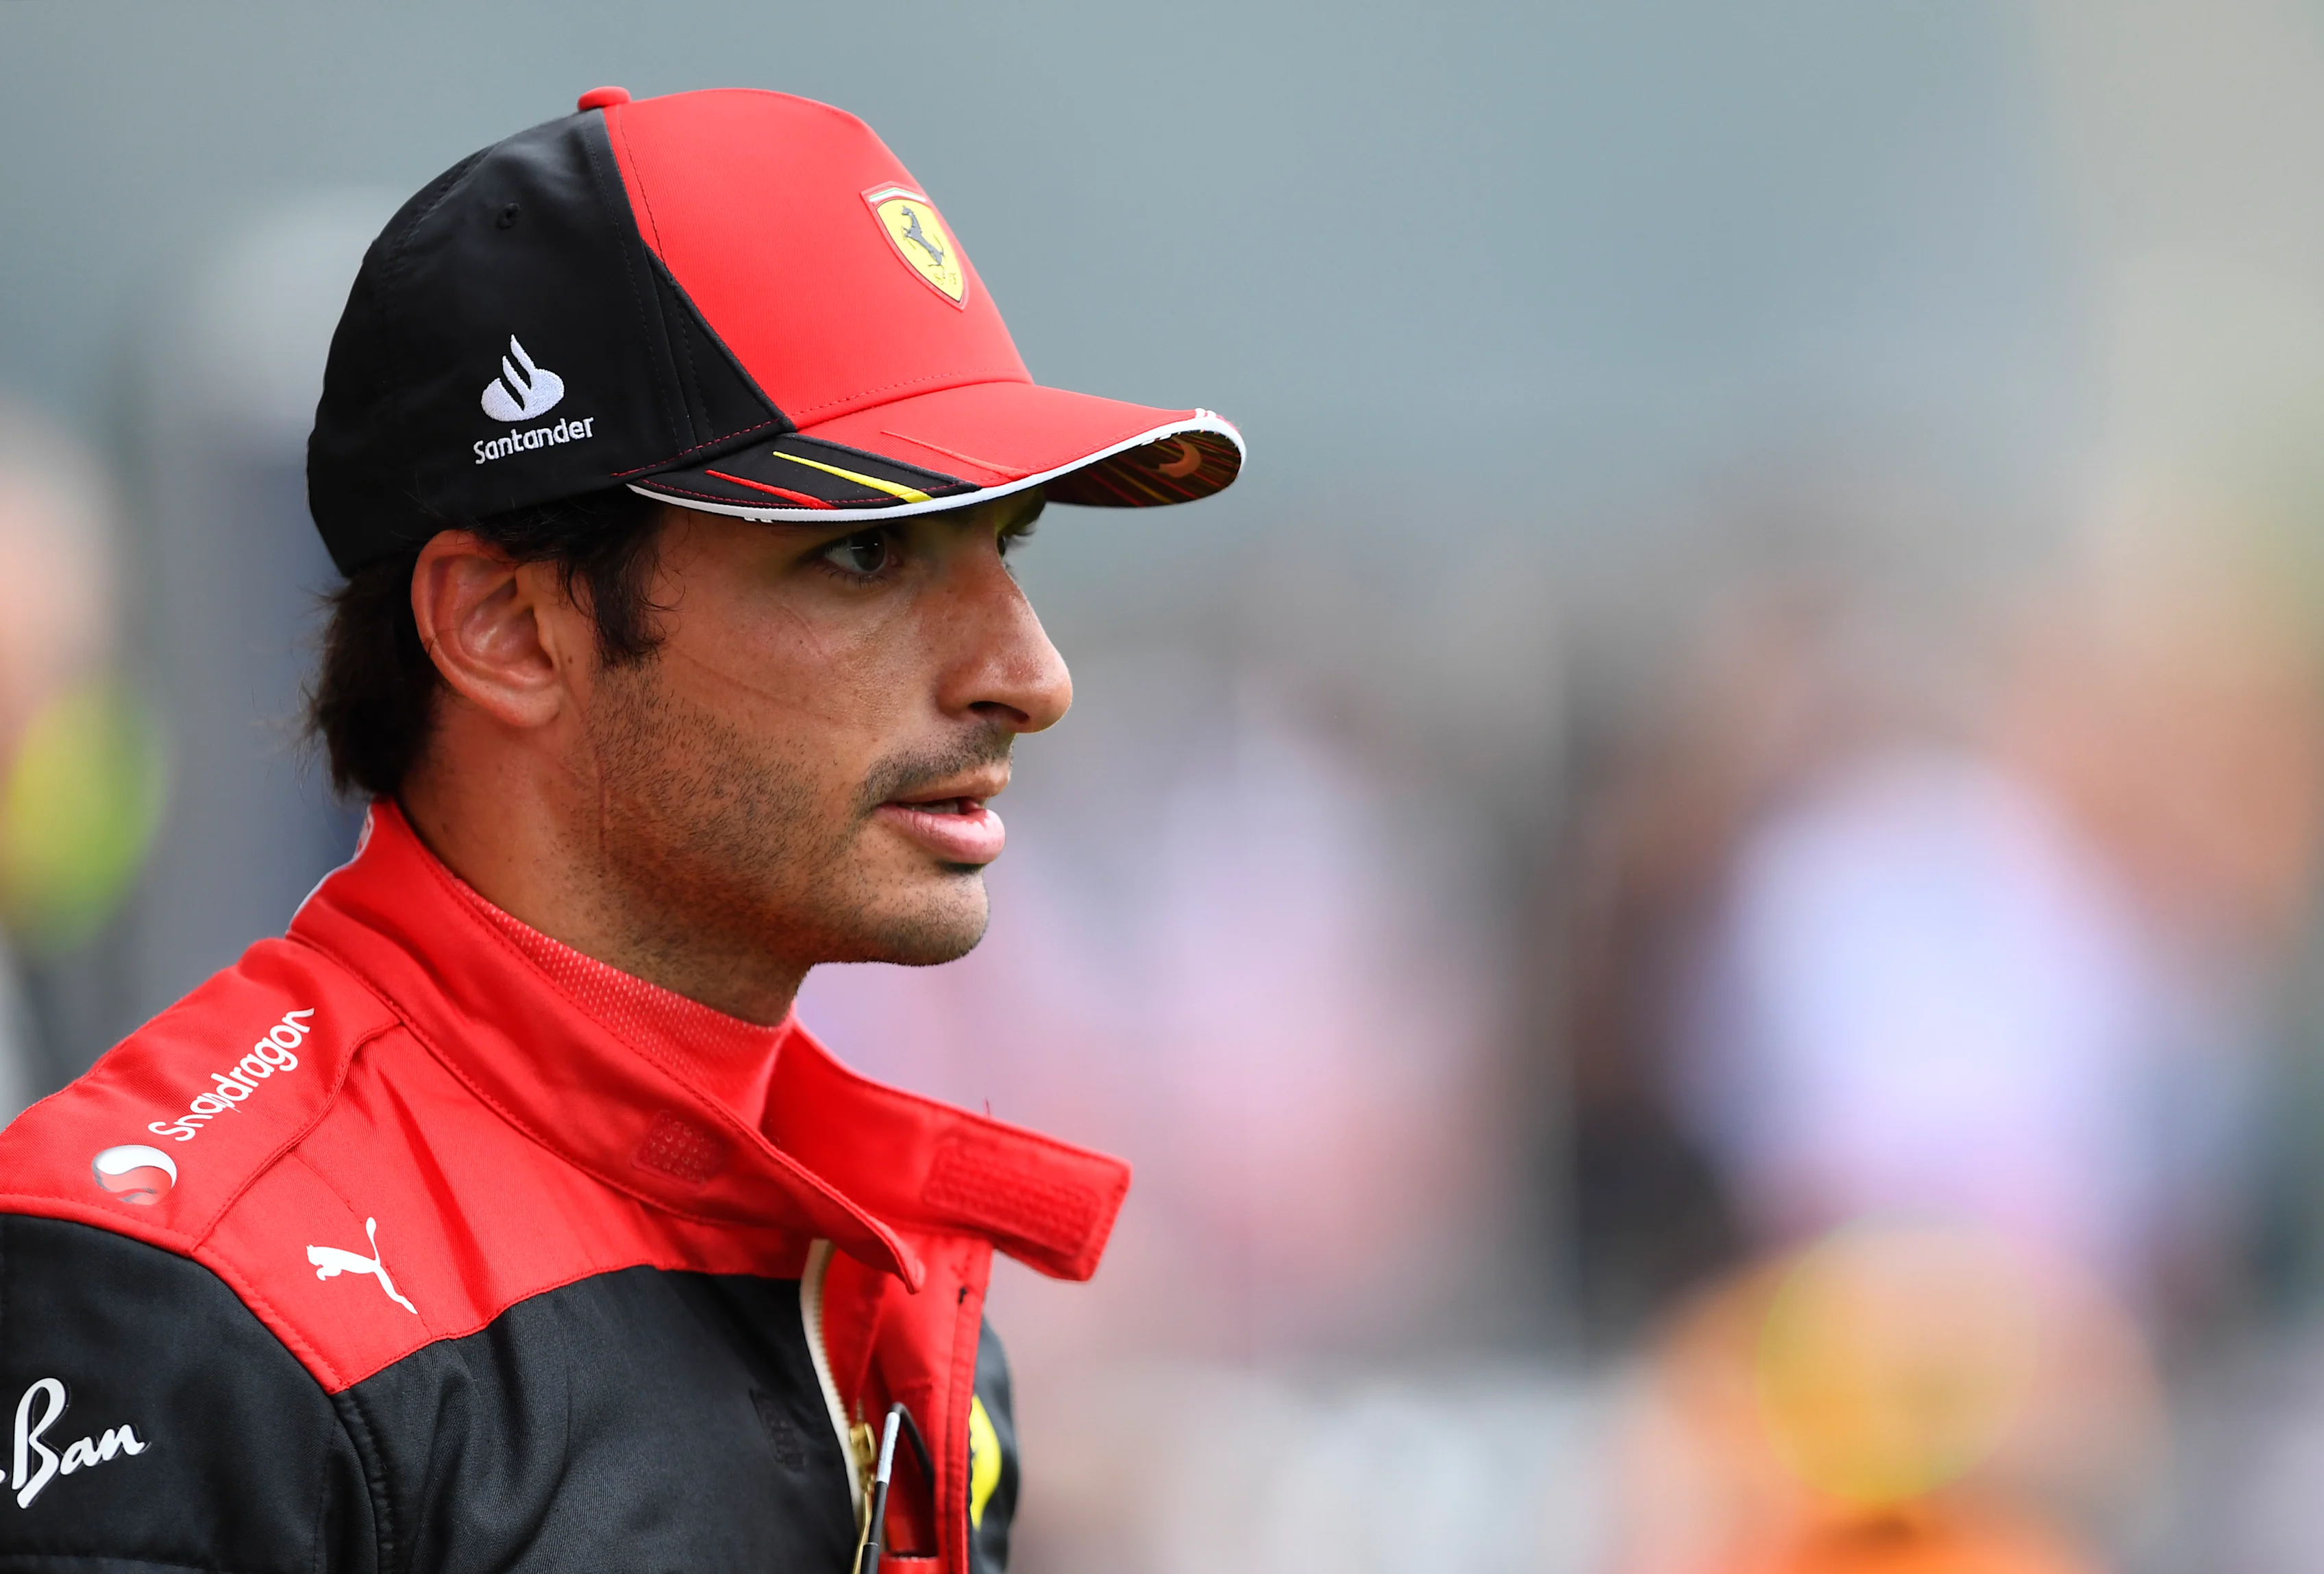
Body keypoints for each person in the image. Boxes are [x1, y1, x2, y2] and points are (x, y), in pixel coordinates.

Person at [0, 86, 1240, 1574]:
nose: (1031, 677)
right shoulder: (175, 1296)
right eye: (862, 552)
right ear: (506, 627)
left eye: (1003, 547)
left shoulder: (882, 1276)